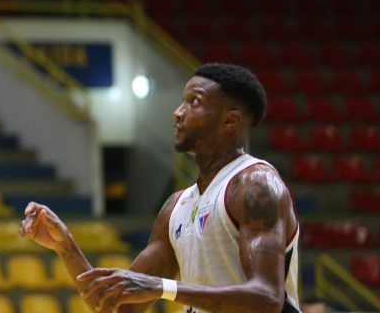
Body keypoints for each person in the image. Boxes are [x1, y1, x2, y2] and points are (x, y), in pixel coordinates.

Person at [21, 62, 299, 313]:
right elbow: (118, 307)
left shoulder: (256, 186)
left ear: (230, 120)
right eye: (182, 101)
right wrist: (66, 247)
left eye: (194, 102)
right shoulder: (176, 207)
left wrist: (162, 287)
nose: (177, 113)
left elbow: (267, 299)